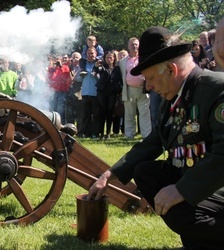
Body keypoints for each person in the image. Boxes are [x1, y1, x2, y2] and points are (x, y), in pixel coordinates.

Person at [88, 26, 224, 249]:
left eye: (150, 78)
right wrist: (109, 175)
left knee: (179, 211)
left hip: (217, 189)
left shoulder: (216, 89)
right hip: (197, 188)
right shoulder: (173, 98)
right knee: (146, 172)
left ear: (171, 70)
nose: (148, 87)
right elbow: (154, 142)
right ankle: (201, 238)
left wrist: (181, 190)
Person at [119, 37, 151, 140]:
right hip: (129, 89)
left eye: (136, 44)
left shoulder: (144, 59)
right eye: (132, 44)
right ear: (128, 46)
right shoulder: (123, 61)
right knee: (129, 114)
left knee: (144, 114)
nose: (134, 46)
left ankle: (146, 136)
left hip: (143, 89)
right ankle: (129, 135)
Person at [94, 51, 122, 140]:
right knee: (102, 112)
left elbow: (119, 80)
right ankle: (101, 133)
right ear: (105, 59)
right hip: (102, 92)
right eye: (107, 58)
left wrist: (119, 91)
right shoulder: (102, 67)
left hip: (112, 93)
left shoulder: (117, 68)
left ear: (114, 58)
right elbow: (97, 70)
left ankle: (108, 133)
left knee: (110, 112)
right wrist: (96, 65)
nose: (109, 59)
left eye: (111, 57)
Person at [77, 47, 100, 139]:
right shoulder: (83, 64)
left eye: (92, 53)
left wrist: (97, 75)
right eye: (89, 54)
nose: (91, 55)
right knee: (86, 114)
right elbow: (77, 79)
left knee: (95, 114)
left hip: (95, 92)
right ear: (86, 55)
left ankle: (94, 133)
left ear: (96, 54)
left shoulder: (99, 64)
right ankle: (86, 132)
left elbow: (102, 78)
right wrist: (81, 75)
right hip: (85, 92)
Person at [48, 55, 71, 124]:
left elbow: (66, 77)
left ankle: (61, 125)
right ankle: (52, 125)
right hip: (53, 91)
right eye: (56, 59)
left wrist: (60, 66)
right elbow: (49, 78)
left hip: (62, 91)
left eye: (59, 59)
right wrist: (54, 68)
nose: (57, 61)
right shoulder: (52, 68)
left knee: (60, 110)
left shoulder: (65, 67)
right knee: (52, 109)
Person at [65, 52, 82, 125]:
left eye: (77, 57)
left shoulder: (82, 67)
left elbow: (81, 78)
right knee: (69, 111)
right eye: (74, 57)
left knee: (79, 111)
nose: (75, 59)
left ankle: (79, 130)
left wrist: (74, 78)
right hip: (69, 91)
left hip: (79, 90)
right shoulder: (69, 67)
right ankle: (70, 128)